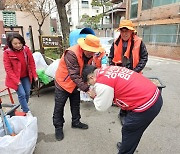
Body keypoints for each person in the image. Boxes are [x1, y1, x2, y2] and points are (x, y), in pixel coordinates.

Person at [82, 65, 163, 154]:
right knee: (133, 131)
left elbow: (101, 107)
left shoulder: (102, 84)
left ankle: (126, 149)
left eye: (90, 83)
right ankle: (127, 144)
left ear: (91, 77)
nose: (91, 86)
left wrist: (94, 96)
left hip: (146, 104)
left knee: (130, 129)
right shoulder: (107, 69)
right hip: (151, 93)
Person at [53, 34, 104, 141]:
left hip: (76, 83)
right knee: (59, 106)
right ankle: (58, 127)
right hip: (63, 83)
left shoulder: (90, 55)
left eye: (94, 51)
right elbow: (74, 75)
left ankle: (76, 122)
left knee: (75, 104)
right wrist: (87, 89)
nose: (92, 53)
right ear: (84, 47)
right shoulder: (71, 53)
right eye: (90, 50)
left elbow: (86, 70)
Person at [108, 19, 148, 125]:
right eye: (122, 31)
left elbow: (144, 57)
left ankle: (131, 112)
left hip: (134, 73)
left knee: (133, 95)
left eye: (127, 31)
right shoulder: (116, 42)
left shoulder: (139, 42)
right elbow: (111, 57)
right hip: (120, 73)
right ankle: (122, 113)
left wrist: (136, 71)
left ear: (131, 31)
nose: (124, 33)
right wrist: (114, 70)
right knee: (122, 94)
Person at [3, 33, 38, 116]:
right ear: (10, 44)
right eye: (15, 44)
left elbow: (31, 63)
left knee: (27, 93)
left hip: (26, 75)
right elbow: (8, 69)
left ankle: (23, 106)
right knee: (21, 94)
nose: (18, 45)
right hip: (15, 77)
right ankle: (26, 111)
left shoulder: (26, 50)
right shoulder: (7, 53)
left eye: (20, 43)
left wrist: (34, 75)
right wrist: (16, 81)